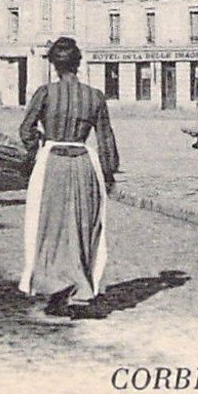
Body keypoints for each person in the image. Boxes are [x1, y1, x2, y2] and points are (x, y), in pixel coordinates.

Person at [19, 36, 120, 319]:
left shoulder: (45, 93)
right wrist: (109, 172)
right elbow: (105, 138)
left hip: (51, 162)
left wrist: (35, 147)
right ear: (78, 63)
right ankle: (80, 289)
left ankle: (55, 290)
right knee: (82, 226)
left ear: (54, 65)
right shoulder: (95, 96)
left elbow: (26, 129)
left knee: (49, 227)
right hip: (84, 164)